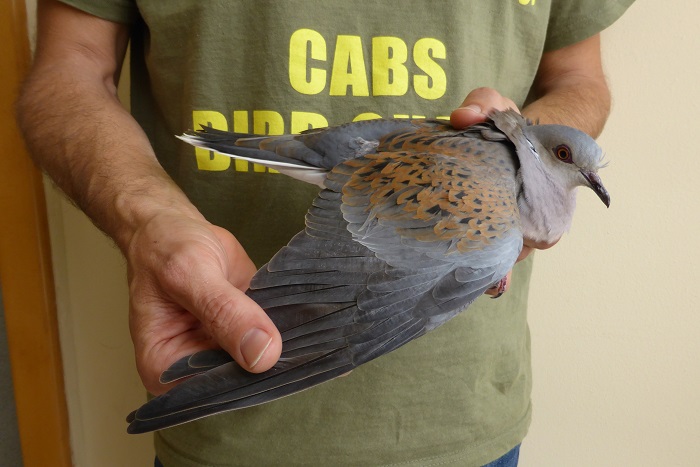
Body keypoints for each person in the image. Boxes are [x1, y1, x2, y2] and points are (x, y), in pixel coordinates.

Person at [17, 1, 634, 465]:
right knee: (476, 251)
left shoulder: (500, 207)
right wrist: (147, 217)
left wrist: (522, 162)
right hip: (237, 419)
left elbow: (579, 78)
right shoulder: (486, 222)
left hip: (466, 422)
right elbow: (70, 66)